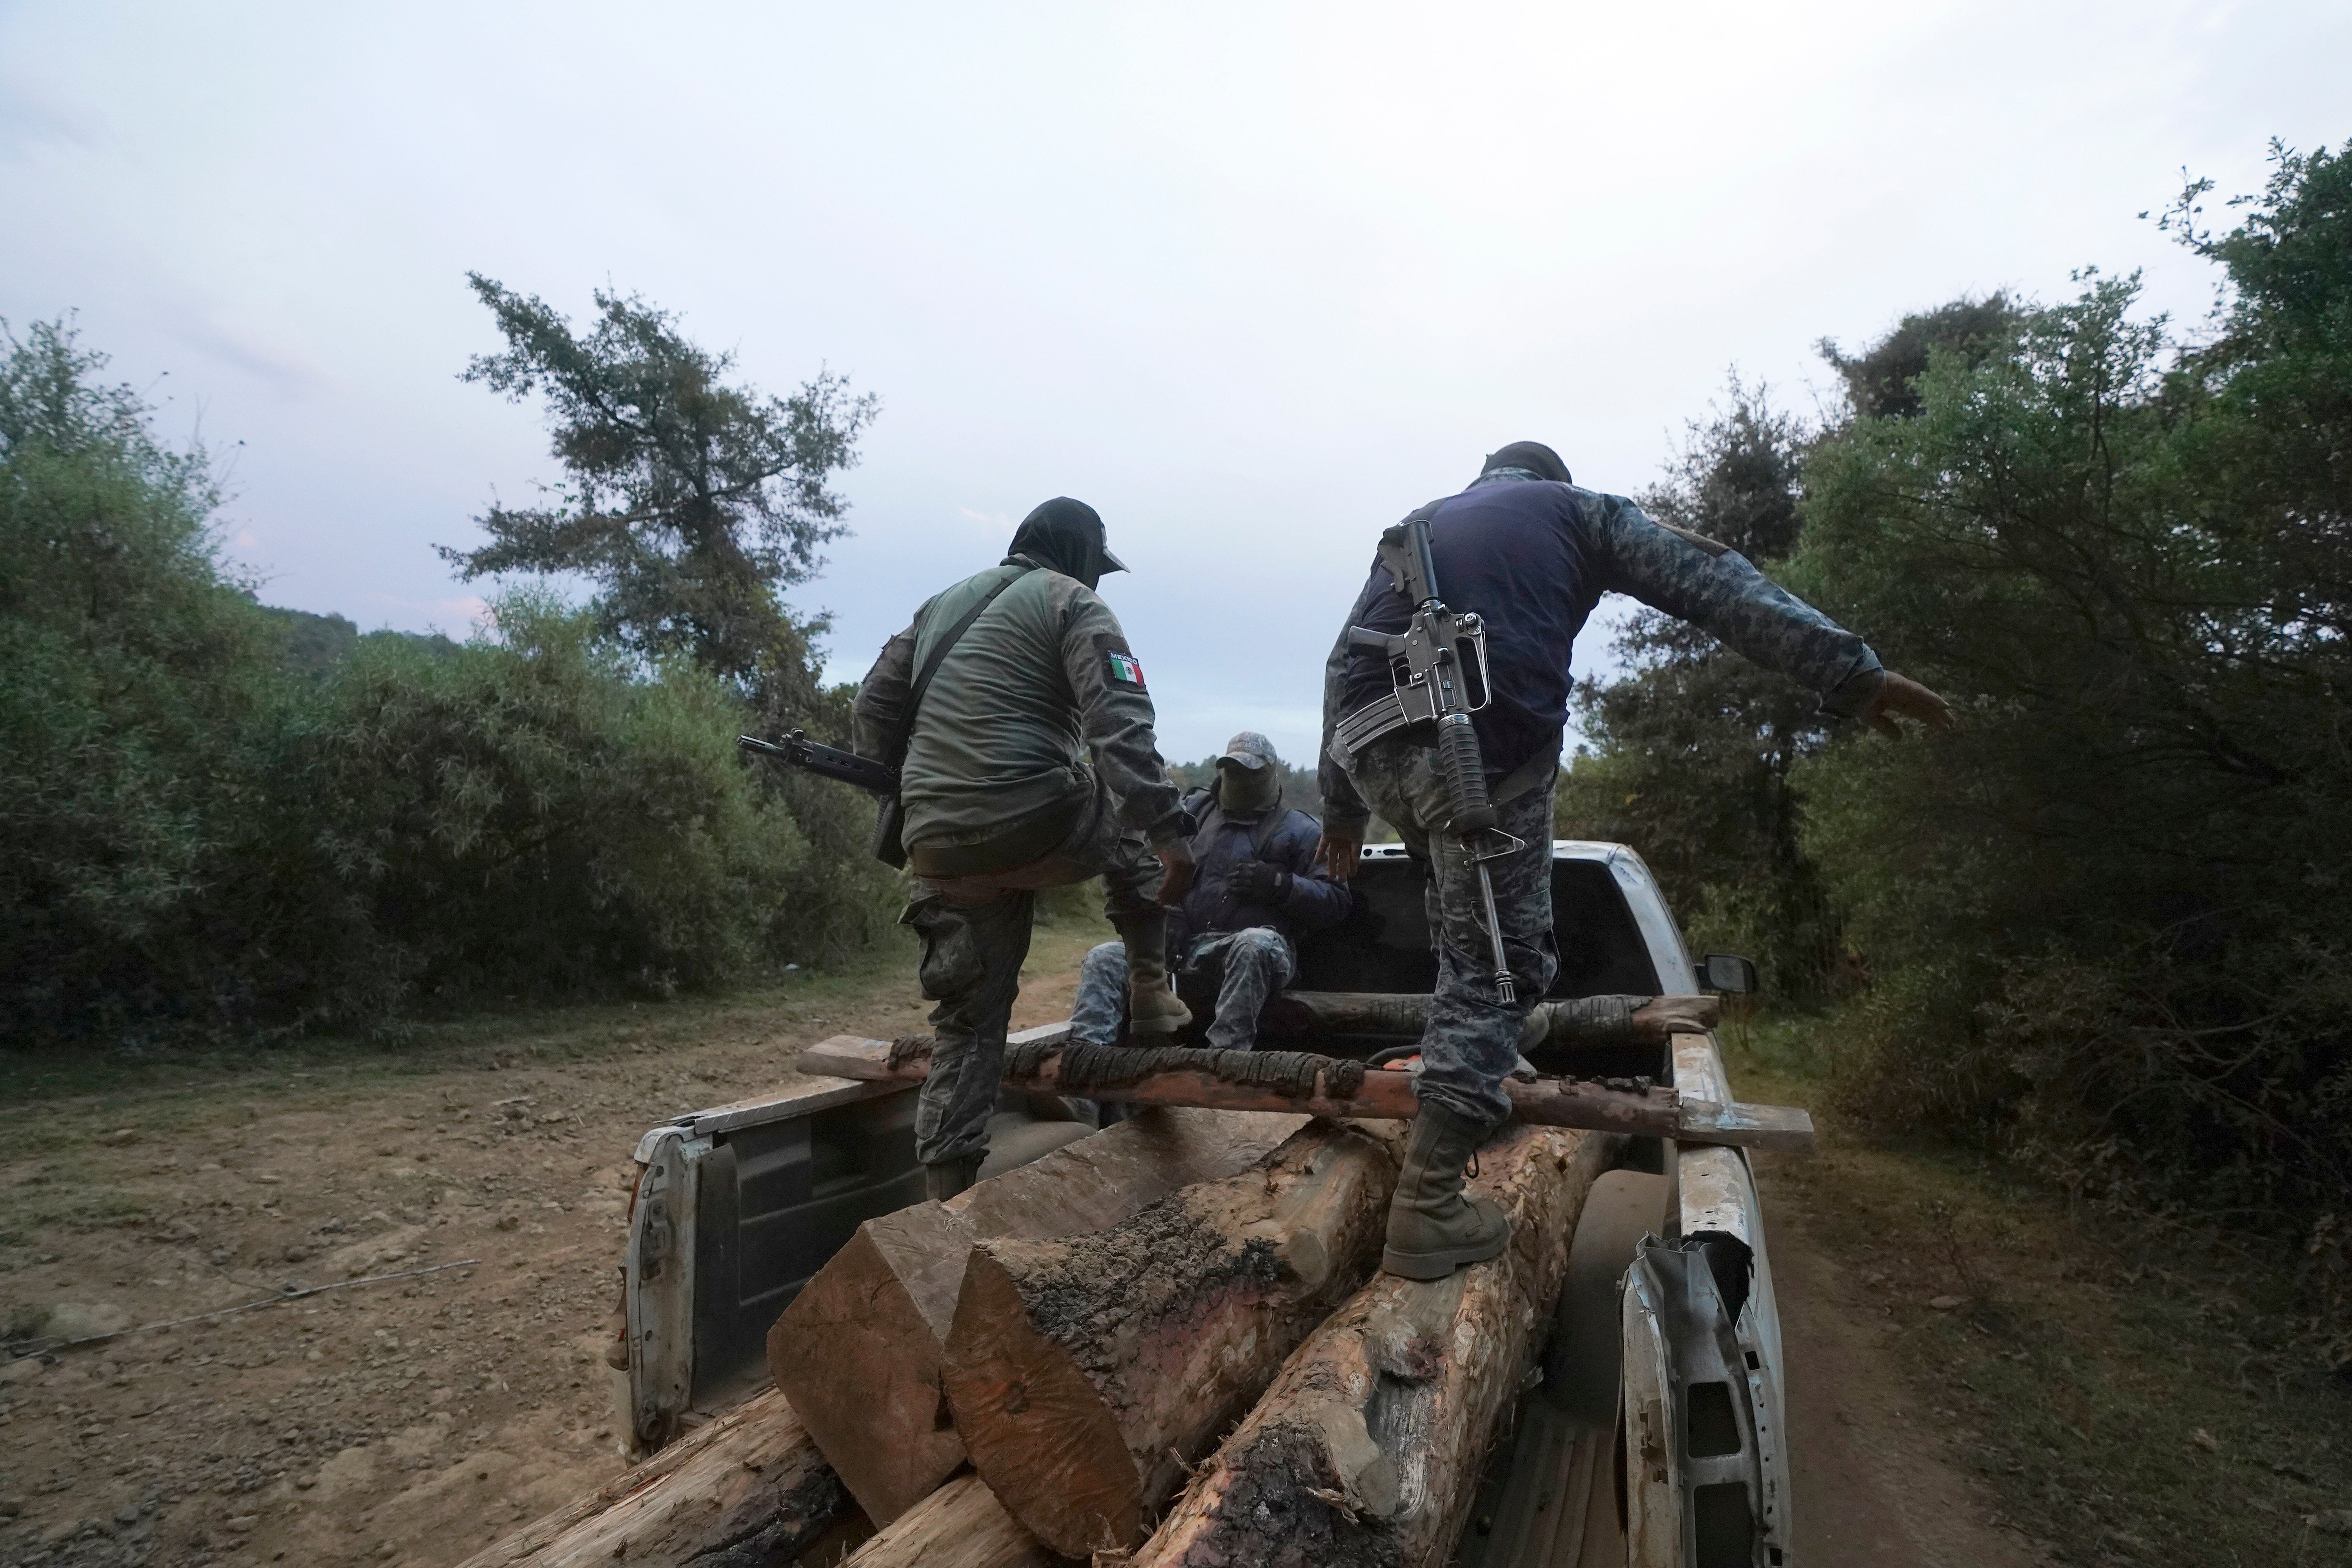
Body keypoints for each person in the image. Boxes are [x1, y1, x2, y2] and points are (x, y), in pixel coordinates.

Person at [1316, 441, 1955, 1279]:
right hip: (1480, 739)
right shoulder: (1583, 511)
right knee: (1505, 965)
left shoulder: (1418, 526)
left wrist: (1339, 809)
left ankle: (1484, 1056)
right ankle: (1429, 1206)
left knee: (1459, 906)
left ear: (1488, 478)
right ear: (1552, 479)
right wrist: (1851, 672)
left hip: (1368, 746)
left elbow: (1340, 662)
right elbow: (1714, 583)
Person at [853, 497, 1197, 1200]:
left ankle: (946, 1203)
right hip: (1035, 820)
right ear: (1080, 557)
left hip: (938, 845)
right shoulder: (1073, 603)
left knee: (967, 1029)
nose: (1099, 581)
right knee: (1129, 795)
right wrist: (1171, 836)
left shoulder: (939, 607)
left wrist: (923, 789)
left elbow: (872, 709)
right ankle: (1151, 986)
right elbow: (1119, 728)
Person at [1068, 731, 1351, 1053]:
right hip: (1183, 949)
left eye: (1250, 772)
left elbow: (1338, 901)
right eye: (1233, 770)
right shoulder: (1190, 814)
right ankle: (1083, 1062)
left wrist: (1281, 886)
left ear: (1271, 774)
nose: (1240, 778)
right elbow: (1149, 869)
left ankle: (1224, 1058)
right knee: (1104, 957)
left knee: (1254, 943)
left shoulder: (1302, 830)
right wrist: (1164, 914)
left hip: (1254, 953)